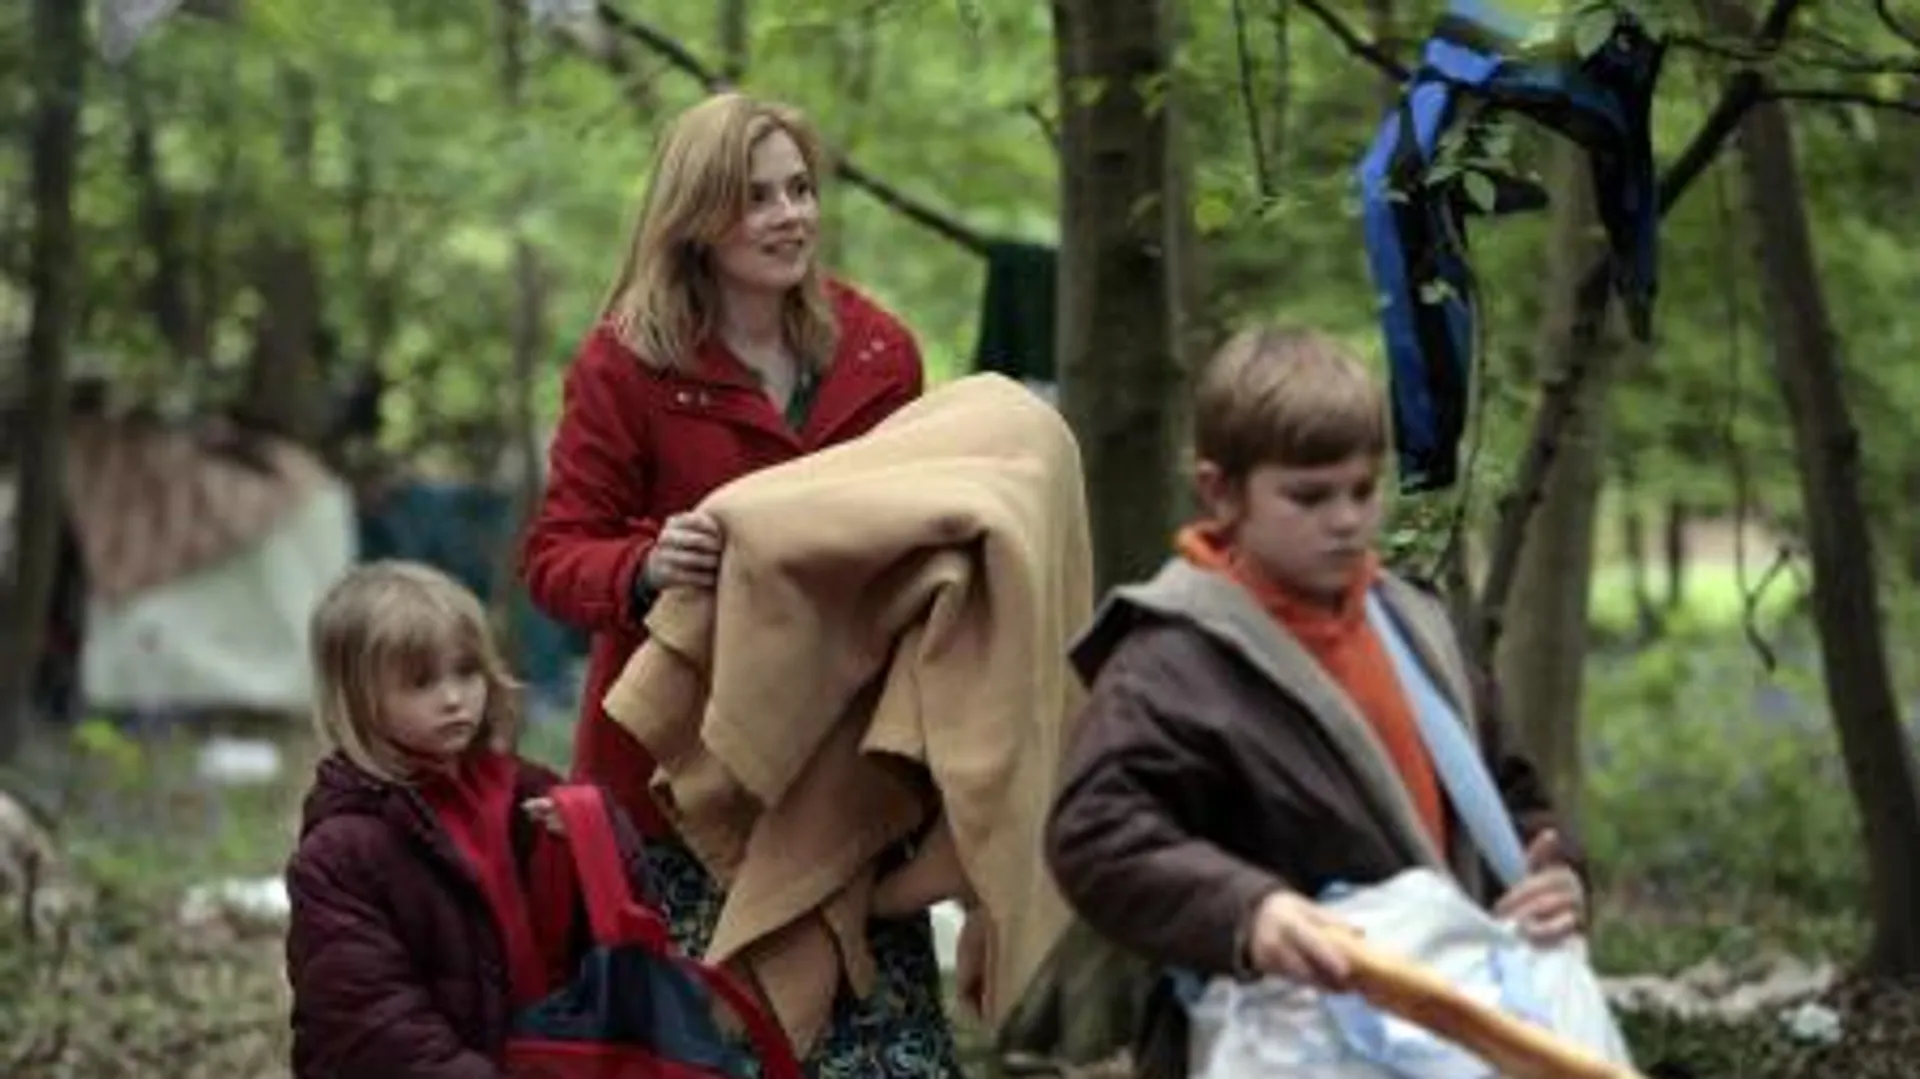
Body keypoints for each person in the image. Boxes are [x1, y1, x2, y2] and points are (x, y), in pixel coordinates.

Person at [520, 92, 955, 1077]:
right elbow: (554, 556)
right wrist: (643, 565)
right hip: (682, 781)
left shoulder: (878, 352)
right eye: (757, 197)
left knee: (885, 1059)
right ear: (696, 216)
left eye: (800, 189)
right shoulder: (626, 362)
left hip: (844, 773)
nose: (789, 215)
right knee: (710, 1058)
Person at [1042, 327, 1587, 1078]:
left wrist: (1554, 874)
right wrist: (1247, 910)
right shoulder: (1170, 664)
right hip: (1269, 1041)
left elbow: (1512, 796)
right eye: (1310, 496)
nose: (1346, 519)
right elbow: (1096, 835)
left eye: (1363, 490)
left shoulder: (1417, 627)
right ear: (1220, 492)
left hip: (1444, 1030)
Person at [283, 560, 652, 1078]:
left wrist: (596, 840)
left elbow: (624, 942)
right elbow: (371, 1024)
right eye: (421, 682)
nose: (454, 699)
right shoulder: (343, 851)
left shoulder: (528, 793)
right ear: (358, 700)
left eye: (466, 671)